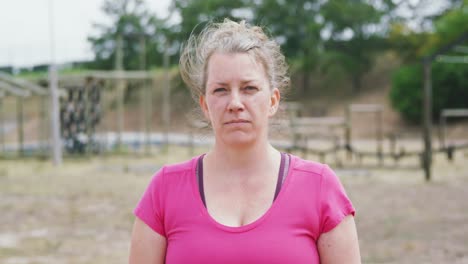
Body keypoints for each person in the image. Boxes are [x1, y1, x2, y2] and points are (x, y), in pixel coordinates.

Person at [129, 19, 361, 264]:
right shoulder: (164, 190)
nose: (235, 103)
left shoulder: (320, 187)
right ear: (205, 105)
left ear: (273, 101)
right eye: (220, 90)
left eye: (249, 88)